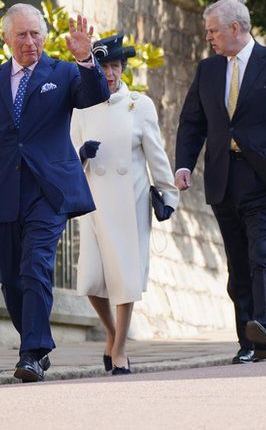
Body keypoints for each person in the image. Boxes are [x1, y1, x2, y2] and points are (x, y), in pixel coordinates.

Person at [0, 4, 109, 381]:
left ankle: (30, 352)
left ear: (45, 37)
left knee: (36, 266)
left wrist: (86, 59)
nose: (29, 42)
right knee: (11, 280)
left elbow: (94, 94)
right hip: (3, 192)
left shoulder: (62, 73)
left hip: (49, 191)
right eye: (21, 35)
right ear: (6, 39)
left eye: (35, 34)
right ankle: (35, 341)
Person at [175, 0, 266, 364]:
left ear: (235, 27)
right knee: (238, 264)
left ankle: (263, 321)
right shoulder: (207, 71)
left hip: (265, 178)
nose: (209, 37)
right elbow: (192, 122)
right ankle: (249, 342)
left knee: (262, 254)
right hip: (224, 178)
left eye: (213, 30)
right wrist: (183, 165)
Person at [70, 34, 179, 375]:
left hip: (129, 200)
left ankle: (119, 348)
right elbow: (67, 153)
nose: (110, 74)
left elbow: (156, 155)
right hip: (93, 200)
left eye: (115, 66)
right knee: (90, 279)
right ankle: (112, 331)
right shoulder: (80, 106)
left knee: (124, 275)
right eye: (103, 67)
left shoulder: (139, 105)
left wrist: (168, 193)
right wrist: (81, 155)